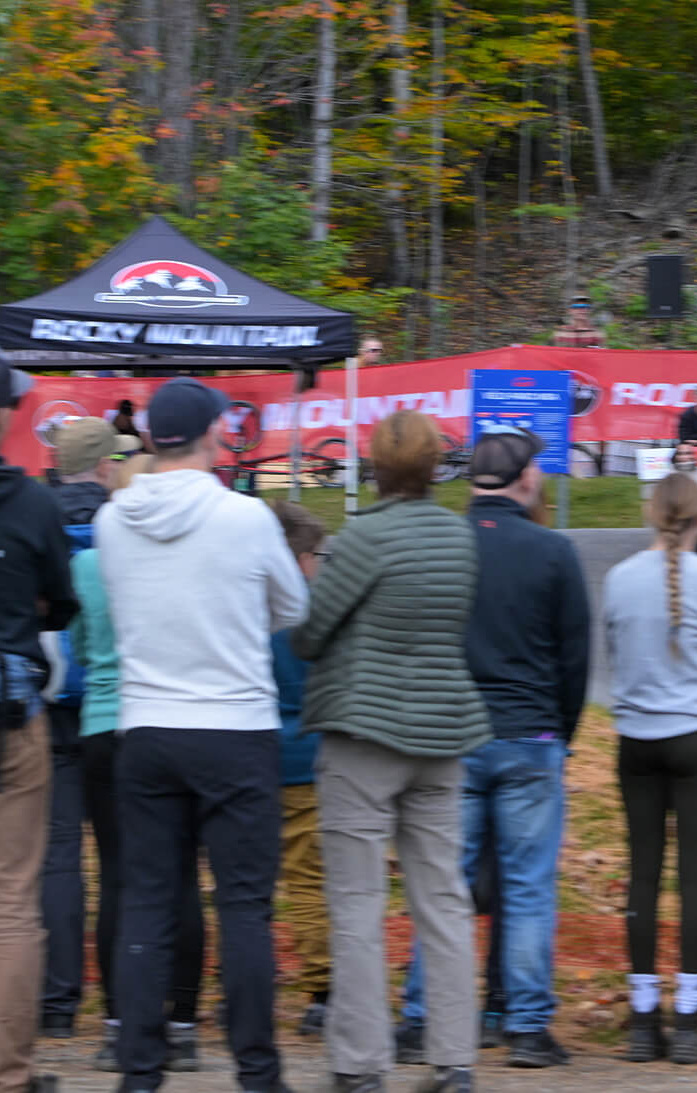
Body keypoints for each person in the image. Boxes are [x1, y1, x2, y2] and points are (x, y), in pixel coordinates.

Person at [98, 377, 305, 1093]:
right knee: (244, 906)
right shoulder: (246, 518)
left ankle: (139, 1072)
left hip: (147, 724)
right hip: (235, 726)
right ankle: (257, 1072)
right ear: (217, 433)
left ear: (152, 437)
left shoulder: (111, 518)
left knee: (148, 903)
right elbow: (293, 604)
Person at [296, 411, 487, 1093]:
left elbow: (313, 631)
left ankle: (359, 1061)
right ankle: (454, 1058)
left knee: (355, 901)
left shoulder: (361, 539)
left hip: (365, 734)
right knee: (442, 898)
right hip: (443, 732)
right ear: (436, 464)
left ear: (374, 464)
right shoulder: (460, 537)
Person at [398, 430, 593, 1069]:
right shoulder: (552, 551)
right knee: (529, 886)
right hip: (529, 734)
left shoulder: (439, 547)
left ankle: (423, 1015)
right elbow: (575, 660)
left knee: (444, 886)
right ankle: (528, 1027)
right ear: (524, 479)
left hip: (455, 736)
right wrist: (557, 734)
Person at [64, 454, 205, 1075]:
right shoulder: (185, 555)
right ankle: (182, 1023)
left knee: (118, 878)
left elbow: (79, 646)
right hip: (176, 719)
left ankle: (120, 1024)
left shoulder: (90, 564)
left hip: (103, 725)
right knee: (179, 878)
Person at [608, 472, 697, 1065]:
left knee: (643, 873)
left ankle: (644, 1018)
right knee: (695, 876)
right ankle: (690, 1018)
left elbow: (614, 657)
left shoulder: (618, 579)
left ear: (650, 512)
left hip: (637, 738)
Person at [0, 346, 77, 1093]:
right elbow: (63, 601)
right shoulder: (35, 502)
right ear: (7, 415)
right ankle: (10, 1075)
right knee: (13, 900)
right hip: (9, 720)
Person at [39, 416, 125, 1041]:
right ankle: (125, 1001)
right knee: (123, 860)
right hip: (112, 706)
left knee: (58, 857)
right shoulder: (122, 526)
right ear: (102, 466)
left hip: (44, 703)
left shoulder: (33, 515)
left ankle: (59, 1002)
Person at [268, 501, 331, 1040]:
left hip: (253, 755)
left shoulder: (247, 605)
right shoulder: (314, 611)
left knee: (249, 882)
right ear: (302, 556)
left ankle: (251, 978)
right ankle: (321, 989)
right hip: (308, 758)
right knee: (309, 878)